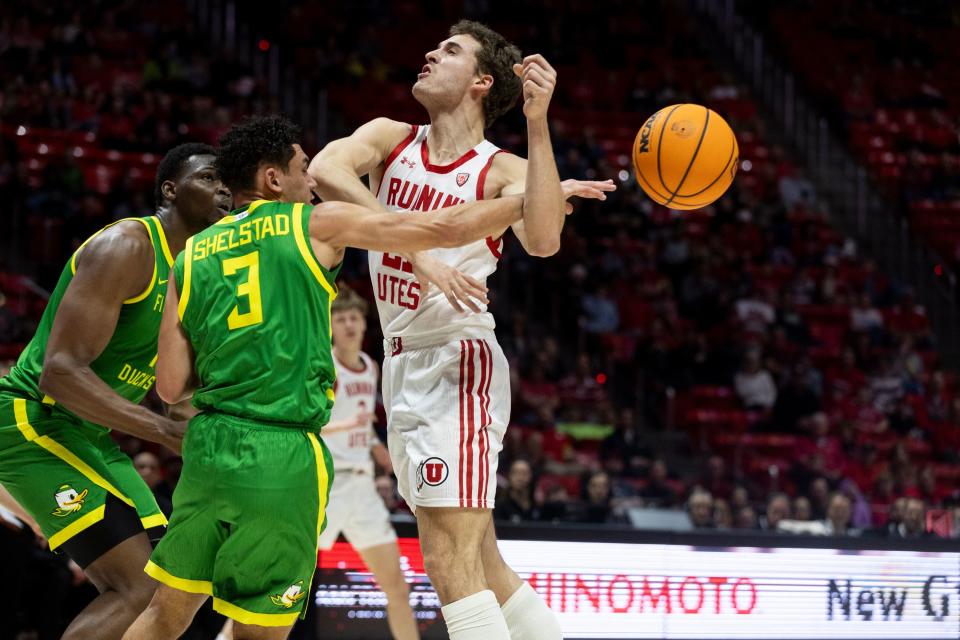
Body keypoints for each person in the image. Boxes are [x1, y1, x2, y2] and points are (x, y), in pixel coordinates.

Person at [123, 115, 551, 639]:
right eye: (304, 171)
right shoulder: (313, 224)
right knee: (259, 629)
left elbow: (169, 387)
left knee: (164, 614)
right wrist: (527, 200)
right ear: (274, 179)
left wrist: (232, 360)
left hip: (208, 449)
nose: (313, 183)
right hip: (281, 453)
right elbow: (439, 229)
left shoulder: (189, 255)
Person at [309, 20, 613, 640]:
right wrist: (418, 249)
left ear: (481, 82)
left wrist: (537, 119)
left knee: (447, 560)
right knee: (483, 564)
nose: (428, 52)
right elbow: (323, 171)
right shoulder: (389, 138)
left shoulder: (501, 168)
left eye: (449, 50)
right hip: (401, 361)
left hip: (457, 361)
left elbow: (546, 239)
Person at [0, 143, 230, 639]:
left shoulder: (195, 274)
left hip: (88, 435)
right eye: (210, 178)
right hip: (30, 421)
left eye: (228, 182)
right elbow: (58, 374)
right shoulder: (128, 246)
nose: (224, 190)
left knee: (172, 584)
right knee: (136, 589)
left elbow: (176, 392)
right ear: (170, 190)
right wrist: (165, 432)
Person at [317, 287, 419, 640]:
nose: (347, 324)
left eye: (353, 318)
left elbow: (359, 421)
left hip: (361, 488)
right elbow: (304, 422)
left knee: (397, 588)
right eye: (340, 318)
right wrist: (347, 427)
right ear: (330, 325)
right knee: (276, 584)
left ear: (363, 323)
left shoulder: (371, 366)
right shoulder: (323, 365)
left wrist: (376, 445)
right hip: (324, 487)